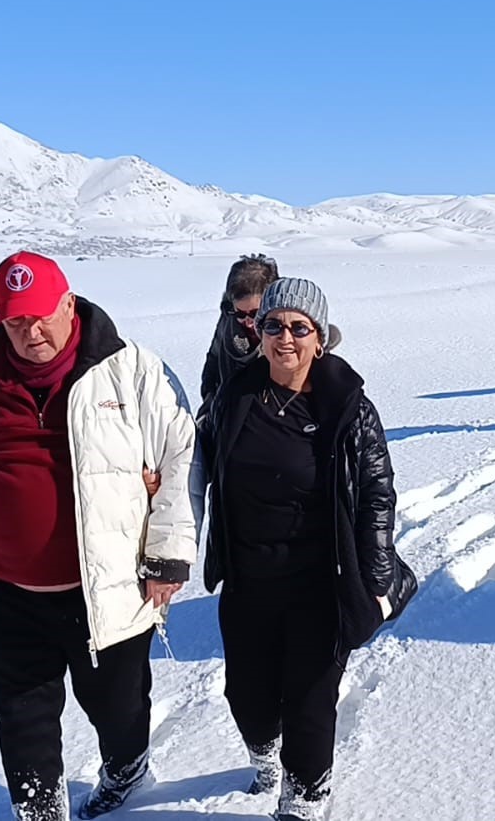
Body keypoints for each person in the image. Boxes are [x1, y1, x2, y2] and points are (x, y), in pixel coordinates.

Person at [0, 251, 198, 820]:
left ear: (69, 303)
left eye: (43, 315)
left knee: (118, 709)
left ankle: (127, 770)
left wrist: (168, 553)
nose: (33, 332)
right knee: (23, 723)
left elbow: (181, 457)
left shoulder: (130, 370)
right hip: (5, 592)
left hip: (107, 589)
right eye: (17, 321)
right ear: (0, 321)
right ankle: (40, 809)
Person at [196, 277, 416, 821]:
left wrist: (376, 572)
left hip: (322, 581)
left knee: (311, 705)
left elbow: (376, 493)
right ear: (258, 333)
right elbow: (193, 466)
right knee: (247, 700)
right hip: (249, 582)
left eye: (300, 327)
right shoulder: (234, 398)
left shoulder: (348, 407)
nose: (285, 337)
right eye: (273, 325)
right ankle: (264, 754)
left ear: (321, 338)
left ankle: (304, 797)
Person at [201, 253, 281, 403]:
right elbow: (213, 362)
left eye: (255, 313)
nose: (248, 322)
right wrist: (209, 404)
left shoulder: (287, 335)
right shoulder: (228, 319)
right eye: (240, 313)